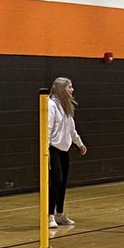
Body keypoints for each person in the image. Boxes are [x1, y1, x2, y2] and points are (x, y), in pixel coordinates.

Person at [48, 77, 87, 229]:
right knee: (56, 180)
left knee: (63, 182)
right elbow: (48, 128)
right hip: (53, 148)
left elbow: (71, 129)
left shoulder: (67, 107)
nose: (72, 90)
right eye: (69, 87)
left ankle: (60, 213)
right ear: (61, 88)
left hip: (64, 149)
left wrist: (80, 144)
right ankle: (50, 215)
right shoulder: (51, 105)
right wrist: (46, 150)